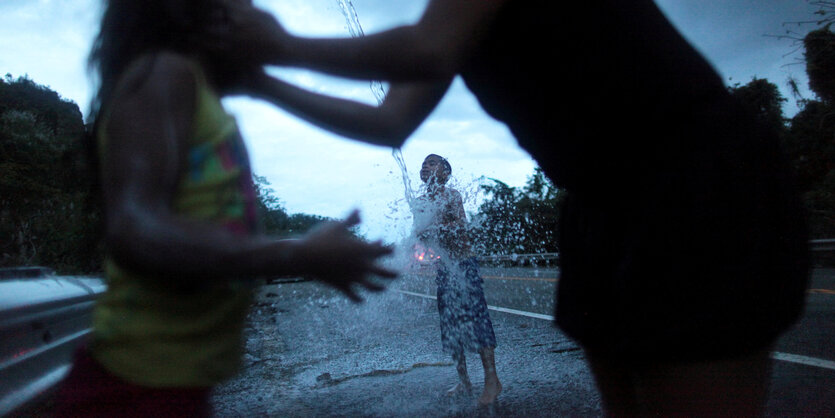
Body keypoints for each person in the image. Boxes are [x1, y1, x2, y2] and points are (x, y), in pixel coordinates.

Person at [208, 1, 811, 416]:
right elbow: (388, 120)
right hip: (599, 201)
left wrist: (279, 44)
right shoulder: (451, 23)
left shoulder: (439, 31)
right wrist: (261, 82)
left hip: (692, 182)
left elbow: (420, 51)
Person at [52, 1, 395, 416]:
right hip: (132, 389)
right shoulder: (163, 73)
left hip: (177, 387)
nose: (254, 8)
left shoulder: (197, 90)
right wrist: (298, 253)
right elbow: (135, 229)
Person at [411, 154, 501, 405]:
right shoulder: (419, 202)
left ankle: (492, 381)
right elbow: (421, 236)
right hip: (444, 266)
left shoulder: (451, 195)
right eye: (423, 164)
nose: (425, 165)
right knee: (449, 323)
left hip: (463, 263)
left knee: (476, 317)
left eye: (432, 162)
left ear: (445, 173)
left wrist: (434, 227)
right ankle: (464, 381)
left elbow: (460, 225)